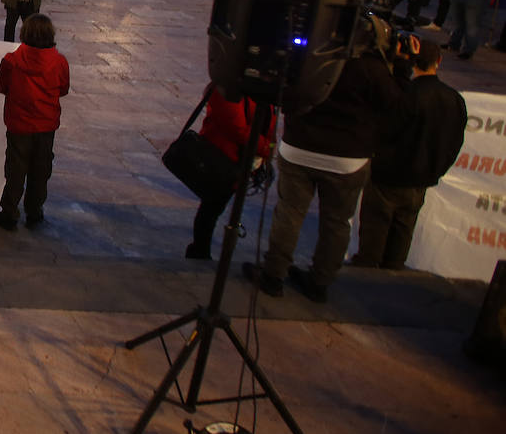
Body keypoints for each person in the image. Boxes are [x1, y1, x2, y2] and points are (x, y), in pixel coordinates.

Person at [244, 19, 405, 302]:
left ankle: (273, 274)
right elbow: (395, 106)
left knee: (290, 213)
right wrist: (400, 67)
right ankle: (319, 281)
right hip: (347, 158)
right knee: (337, 222)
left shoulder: (311, 54)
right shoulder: (372, 68)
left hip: (300, 146)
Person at [351, 41, 467, 269]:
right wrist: (436, 170)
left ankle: (367, 277)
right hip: (420, 182)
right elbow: (455, 142)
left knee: (372, 244)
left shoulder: (406, 95)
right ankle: (393, 275)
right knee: (400, 240)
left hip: (388, 179)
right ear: (438, 61)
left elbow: (384, 130)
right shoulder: (453, 99)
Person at [0, 14, 69, 231]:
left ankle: (9, 212)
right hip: (46, 125)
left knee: (15, 169)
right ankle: (34, 211)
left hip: (19, 124)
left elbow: (3, 86)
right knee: (40, 169)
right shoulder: (59, 62)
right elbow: (63, 89)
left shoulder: (11, 60)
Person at [183, 87, 276, 259]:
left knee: (215, 206)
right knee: (212, 206)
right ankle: (200, 250)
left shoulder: (264, 91)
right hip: (222, 159)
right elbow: (235, 128)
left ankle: (200, 249)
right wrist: (265, 147)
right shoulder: (228, 88)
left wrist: (268, 148)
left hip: (242, 160)